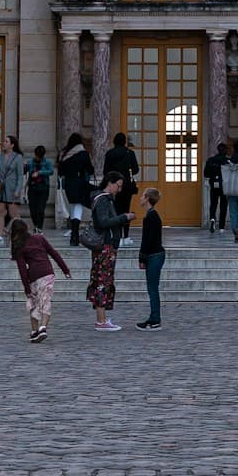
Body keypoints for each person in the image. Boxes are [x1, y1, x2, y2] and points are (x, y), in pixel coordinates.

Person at [8, 217, 72, 343]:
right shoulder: (39, 238)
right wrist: (65, 270)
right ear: (26, 228)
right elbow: (54, 254)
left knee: (33, 303)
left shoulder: (19, 246)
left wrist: (26, 288)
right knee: (45, 300)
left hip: (33, 276)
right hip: (47, 273)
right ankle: (43, 327)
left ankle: (34, 330)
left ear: (14, 233)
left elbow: (22, 270)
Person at [85, 171, 131, 331]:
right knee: (102, 281)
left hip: (106, 246)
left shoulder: (104, 199)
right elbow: (103, 222)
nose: (119, 190)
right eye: (118, 186)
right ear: (110, 183)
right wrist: (123, 218)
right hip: (105, 246)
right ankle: (101, 320)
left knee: (102, 280)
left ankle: (102, 317)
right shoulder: (103, 200)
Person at [135, 187, 166, 330]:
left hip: (154, 255)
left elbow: (147, 240)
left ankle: (155, 319)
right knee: (152, 288)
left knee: (152, 288)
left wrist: (142, 258)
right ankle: (154, 317)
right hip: (156, 254)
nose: (140, 198)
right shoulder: (152, 215)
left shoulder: (150, 216)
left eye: (142, 196)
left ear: (147, 198)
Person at [102, 133, 141, 243]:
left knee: (114, 210)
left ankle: (116, 235)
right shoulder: (130, 153)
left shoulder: (110, 153)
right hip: (126, 185)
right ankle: (126, 236)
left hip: (113, 185)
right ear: (124, 142)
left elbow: (105, 171)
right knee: (125, 209)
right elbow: (136, 170)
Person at [58, 133, 96, 242]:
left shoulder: (64, 154)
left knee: (73, 205)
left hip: (68, 183)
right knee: (78, 205)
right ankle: (75, 233)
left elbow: (61, 171)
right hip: (79, 181)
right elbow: (90, 169)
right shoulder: (83, 153)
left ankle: (73, 233)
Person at [0, 134, 29, 244]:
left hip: (12, 189)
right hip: (0, 188)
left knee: (14, 215)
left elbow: (20, 175)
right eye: (4, 141)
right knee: (0, 212)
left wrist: (18, 189)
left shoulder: (17, 157)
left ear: (12, 145)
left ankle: (24, 233)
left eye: (6, 141)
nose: (4, 143)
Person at [203, 140, 230, 235]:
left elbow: (206, 173)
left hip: (214, 185)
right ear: (225, 151)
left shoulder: (210, 160)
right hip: (224, 186)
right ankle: (221, 226)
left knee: (213, 204)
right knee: (223, 205)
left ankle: (212, 218)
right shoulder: (227, 161)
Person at [27, 145, 55, 231]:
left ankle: (39, 227)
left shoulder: (47, 162)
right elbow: (27, 170)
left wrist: (40, 172)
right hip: (32, 187)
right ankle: (36, 224)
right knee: (32, 209)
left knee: (40, 209)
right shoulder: (31, 162)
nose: (37, 158)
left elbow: (51, 171)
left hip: (43, 188)